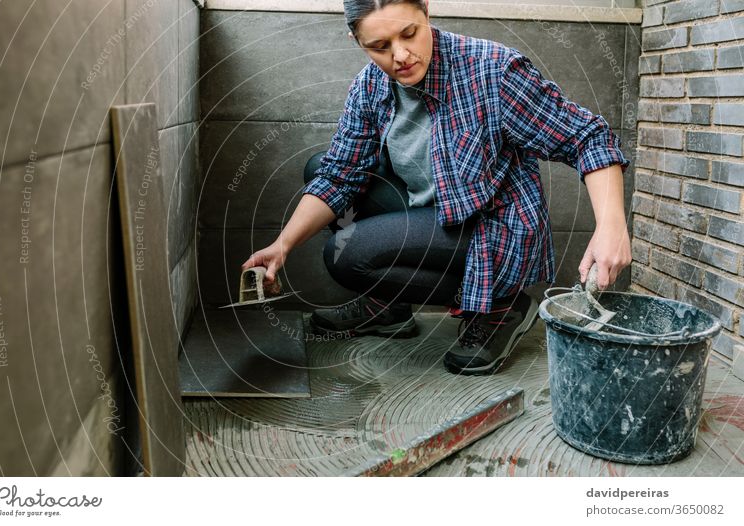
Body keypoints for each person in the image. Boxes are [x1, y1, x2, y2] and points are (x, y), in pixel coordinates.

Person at [242, 0, 631, 375]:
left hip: (490, 225)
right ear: (357, 42)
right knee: (320, 169)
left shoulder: (492, 71)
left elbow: (587, 138)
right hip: (430, 211)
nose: (400, 56)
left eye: (409, 34)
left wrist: (610, 225)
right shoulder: (370, 87)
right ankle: (389, 307)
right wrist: (283, 245)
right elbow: (339, 175)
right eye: (379, 46)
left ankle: (501, 306)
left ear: (426, 10)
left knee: (346, 256)